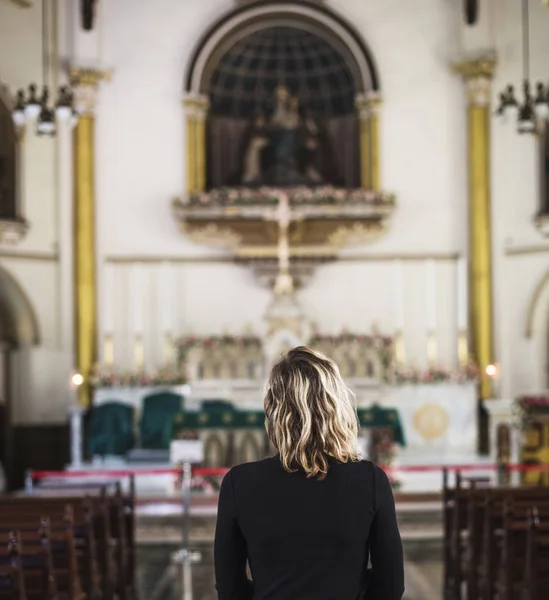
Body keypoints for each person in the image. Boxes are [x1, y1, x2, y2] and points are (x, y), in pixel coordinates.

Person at [214, 346, 405, 600]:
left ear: (274, 409)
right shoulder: (370, 480)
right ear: (335, 406)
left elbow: (230, 590)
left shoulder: (238, 483)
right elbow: (391, 586)